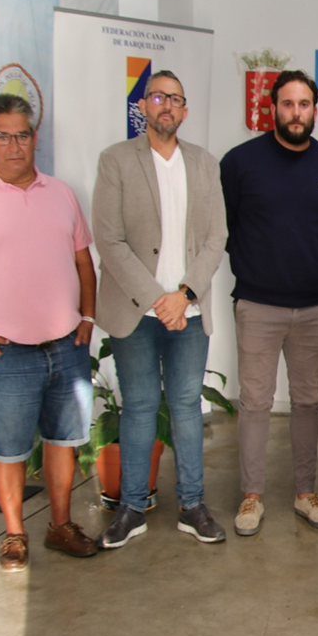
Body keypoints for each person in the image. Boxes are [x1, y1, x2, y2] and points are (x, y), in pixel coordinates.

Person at [0, 94, 97, 569]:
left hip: (65, 345)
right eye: (2, 135)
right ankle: (14, 535)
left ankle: (61, 525)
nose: (13, 145)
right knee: (9, 448)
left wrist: (88, 317)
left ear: (34, 137)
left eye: (21, 134)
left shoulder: (60, 194)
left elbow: (83, 262)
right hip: (5, 354)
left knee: (63, 443)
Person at [94, 70, 229, 548]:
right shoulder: (115, 161)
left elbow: (217, 238)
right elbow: (109, 240)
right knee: (140, 408)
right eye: (158, 97)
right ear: (144, 107)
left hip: (187, 316)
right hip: (136, 314)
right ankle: (132, 507)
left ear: (184, 110)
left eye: (175, 99)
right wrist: (158, 299)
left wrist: (184, 295)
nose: (166, 105)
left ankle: (192, 505)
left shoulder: (204, 164)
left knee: (187, 408)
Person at [221, 70, 318, 536]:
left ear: (316, 110)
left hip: (314, 308)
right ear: (272, 108)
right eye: (288, 104)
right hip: (257, 306)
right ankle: (251, 495)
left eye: (304, 104)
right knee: (254, 402)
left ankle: (304, 491)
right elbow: (226, 228)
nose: (296, 113)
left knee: (308, 402)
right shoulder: (239, 163)